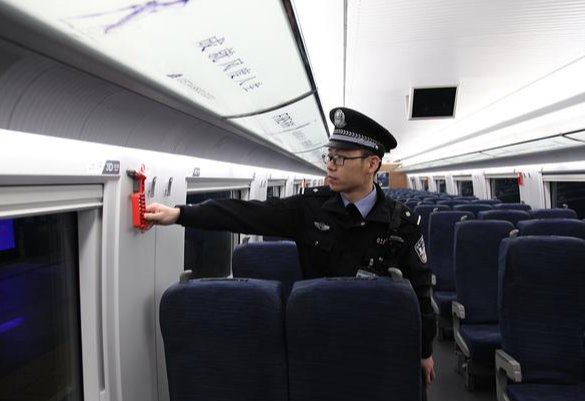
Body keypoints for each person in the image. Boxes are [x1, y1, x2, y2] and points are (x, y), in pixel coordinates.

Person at [145, 107, 436, 393]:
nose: (330, 165)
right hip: (317, 342)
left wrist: (424, 351)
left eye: (340, 158)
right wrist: (181, 214)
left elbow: (420, 289)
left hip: (377, 343)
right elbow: (245, 212)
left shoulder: (403, 224)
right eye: (329, 156)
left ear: (372, 164)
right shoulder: (308, 209)